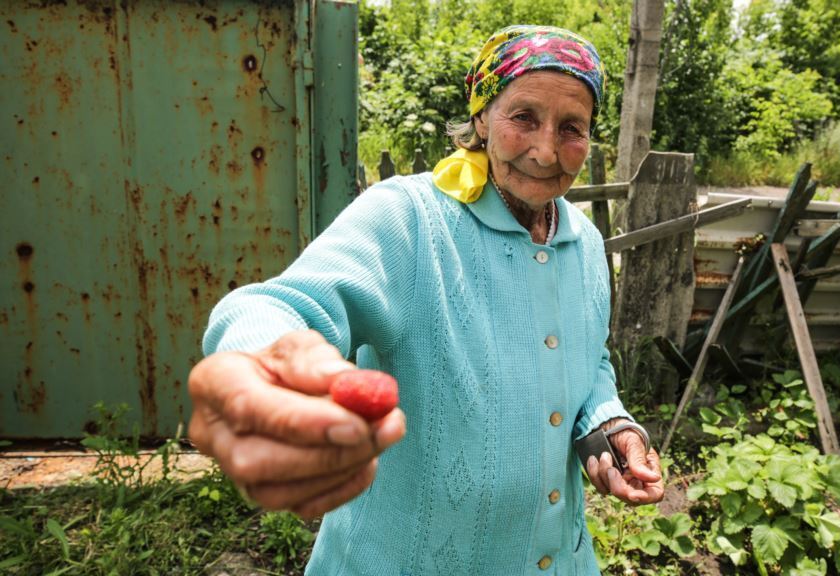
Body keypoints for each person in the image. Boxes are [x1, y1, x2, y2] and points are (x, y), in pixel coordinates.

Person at [187, 25, 664, 575]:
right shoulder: (411, 219)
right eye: (523, 117)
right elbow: (282, 306)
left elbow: (589, 362)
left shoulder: (583, 244)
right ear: (482, 117)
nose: (544, 149)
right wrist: (261, 365)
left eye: (571, 127)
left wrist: (611, 428)